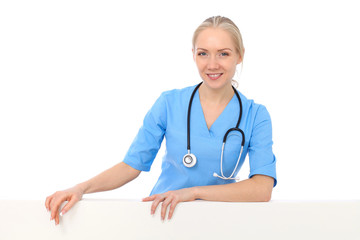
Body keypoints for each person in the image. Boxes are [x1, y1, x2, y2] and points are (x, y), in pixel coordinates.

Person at [45, 16, 277, 225]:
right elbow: (131, 166)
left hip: (218, 223)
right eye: (203, 53)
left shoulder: (256, 115)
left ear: (240, 55)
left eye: (223, 53)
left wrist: (193, 192)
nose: (212, 64)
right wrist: (80, 188)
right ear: (193, 54)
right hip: (162, 220)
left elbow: (262, 188)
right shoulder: (169, 103)